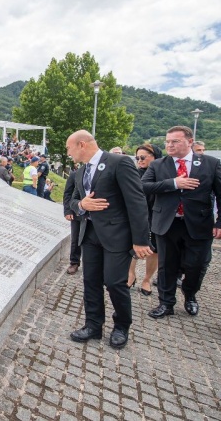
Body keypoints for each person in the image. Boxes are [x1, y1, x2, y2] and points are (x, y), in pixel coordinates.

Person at [67, 130, 151, 349]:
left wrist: (141, 240)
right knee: (91, 282)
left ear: (81, 144)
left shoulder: (119, 162)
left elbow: (136, 202)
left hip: (116, 236)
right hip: (90, 234)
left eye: (69, 148)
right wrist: (81, 205)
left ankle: (121, 326)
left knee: (114, 283)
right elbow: (74, 200)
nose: (68, 153)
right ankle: (93, 325)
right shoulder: (80, 171)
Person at [142, 126, 221, 319]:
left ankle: (190, 294)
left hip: (199, 224)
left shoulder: (211, 164)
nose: (169, 145)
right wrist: (174, 183)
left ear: (190, 142)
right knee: (167, 265)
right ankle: (166, 303)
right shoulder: (158, 165)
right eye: (167, 141)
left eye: (175, 141)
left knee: (197, 265)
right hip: (167, 223)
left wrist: (219, 223)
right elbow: (143, 186)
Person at [126, 144, 162, 294]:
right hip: (137, 215)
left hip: (157, 215)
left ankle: (147, 279)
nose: (139, 160)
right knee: (131, 246)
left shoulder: (163, 173)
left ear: (155, 158)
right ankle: (130, 274)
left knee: (154, 250)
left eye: (143, 157)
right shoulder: (134, 173)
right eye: (137, 158)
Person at [63, 167, 81, 275]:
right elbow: (68, 193)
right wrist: (68, 210)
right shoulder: (75, 174)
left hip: (95, 214)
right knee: (76, 238)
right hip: (77, 212)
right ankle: (74, 262)